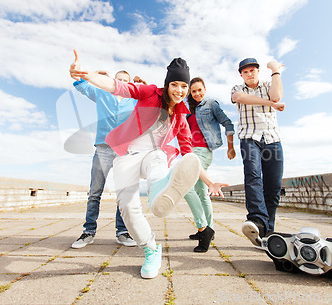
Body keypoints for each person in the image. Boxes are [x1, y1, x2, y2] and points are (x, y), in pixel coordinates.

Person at [70, 52, 227, 278]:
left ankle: (160, 196)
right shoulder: (149, 93)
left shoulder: (181, 117)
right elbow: (117, 87)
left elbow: (189, 155)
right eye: (175, 84)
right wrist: (87, 74)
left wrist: (210, 182)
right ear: (167, 84)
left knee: (157, 164)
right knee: (126, 207)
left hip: (154, 154)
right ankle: (151, 249)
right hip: (127, 155)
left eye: (184, 86)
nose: (180, 91)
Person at [70, 62, 139, 249]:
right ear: (113, 81)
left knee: (123, 193)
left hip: (124, 152)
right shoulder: (101, 93)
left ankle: (122, 232)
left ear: (129, 84)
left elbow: (156, 99)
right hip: (102, 149)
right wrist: (91, 73)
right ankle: (88, 232)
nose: (122, 83)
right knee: (95, 192)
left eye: (126, 81)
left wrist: (144, 83)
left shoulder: (134, 100)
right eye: (119, 80)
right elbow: (79, 83)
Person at [231, 57, 285, 249]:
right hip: (249, 139)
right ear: (241, 75)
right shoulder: (237, 89)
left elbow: (277, 96)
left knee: (273, 186)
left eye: (252, 70)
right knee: (253, 177)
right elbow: (241, 99)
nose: (249, 74)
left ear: (257, 71)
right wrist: (270, 104)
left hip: (272, 140)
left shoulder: (268, 85)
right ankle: (257, 220)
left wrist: (275, 69)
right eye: (245, 72)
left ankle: (267, 231)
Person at [184, 77, 236, 252]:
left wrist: (230, 147)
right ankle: (208, 229)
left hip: (204, 151)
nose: (197, 93)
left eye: (200, 90)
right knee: (200, 192)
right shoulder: (187, 107)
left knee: (186, 187)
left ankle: (204, 228)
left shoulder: (211, 103)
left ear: (204, 89)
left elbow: (227, 122)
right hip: (192, 151)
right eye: (194, 91)